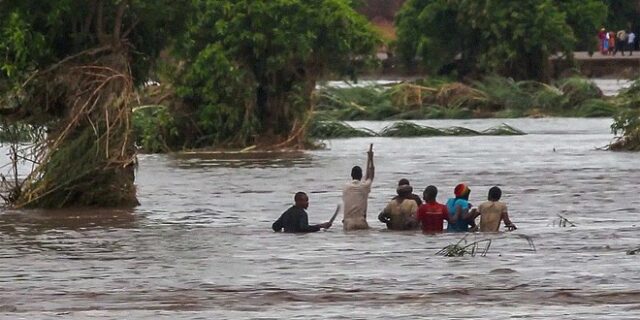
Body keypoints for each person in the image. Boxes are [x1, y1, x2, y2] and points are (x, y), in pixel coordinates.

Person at [342, 145, 375, 230]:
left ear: (351, 175)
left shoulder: (345, 187)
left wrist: (369, 158)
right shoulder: (363, 187)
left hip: (348, 222)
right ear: (361, 175)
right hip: (361, 221)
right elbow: (370, 176)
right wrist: (371, 158)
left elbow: (367, 177)